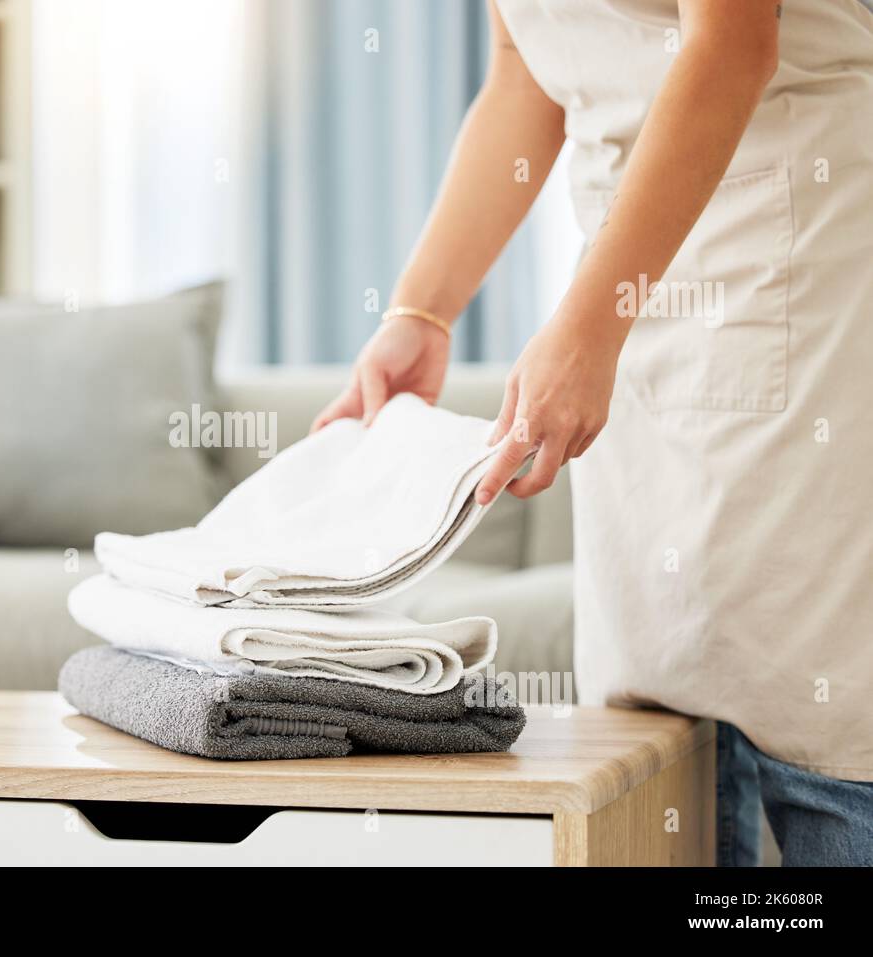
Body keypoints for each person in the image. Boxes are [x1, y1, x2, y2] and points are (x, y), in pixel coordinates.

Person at [314, 0, 873, 866]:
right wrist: (423, 309)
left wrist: (587, 329)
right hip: (634, 282)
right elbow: (524, 71)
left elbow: (732, 45)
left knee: (825, 714)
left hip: (804, 248)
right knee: (664, 722)